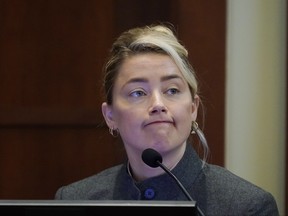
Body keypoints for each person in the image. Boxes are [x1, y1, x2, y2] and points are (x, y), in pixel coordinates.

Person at [54, 23, 279, 215]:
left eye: (172, 90)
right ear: (110, 116)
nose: (158, 105)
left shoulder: (247, 206)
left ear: (193, 108)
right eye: (138, 93)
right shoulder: (74, 201)